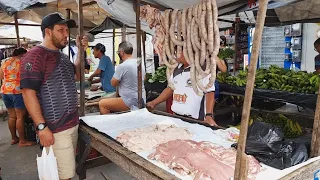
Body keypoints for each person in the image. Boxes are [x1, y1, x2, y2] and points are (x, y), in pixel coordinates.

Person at [20, 12, 87, 180]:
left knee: (65, 173)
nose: (66, 35)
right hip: (55, 128)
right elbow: (28, 93)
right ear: (48, 32)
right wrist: (41, 127)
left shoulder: (62, 56)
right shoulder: (35, 56)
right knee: (63, 176)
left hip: (71, 124)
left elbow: (77, 76)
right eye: (61, 30)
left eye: (66, 30)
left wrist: (81, 51)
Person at [147, 48, 227, 127]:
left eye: (178, 52)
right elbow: (170, 89)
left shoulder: (202, 70)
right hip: (176, 117)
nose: (176, 55)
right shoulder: (176, 70)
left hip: (195, 121)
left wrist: (209, 115)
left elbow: (210, 92)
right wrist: (154, 103)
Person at [0, 47, 35, 147]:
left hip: (5, 91)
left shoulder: (4, 62)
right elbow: (31, 74)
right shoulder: (25, 62)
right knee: (20, 117)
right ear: (22, 55)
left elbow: (1, 76)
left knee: (12, 116)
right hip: (17, 91)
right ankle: (23, 141)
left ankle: (14, 138)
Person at [99, 41, 146, 114]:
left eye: (118, 52)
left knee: (102, 104)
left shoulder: (122, 66)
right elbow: (144, 78)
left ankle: (107, 124)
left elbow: (113, 83)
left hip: (130, 101)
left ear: (122, 52)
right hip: (142, 98)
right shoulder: (140, 63)